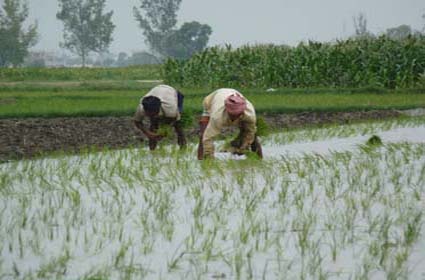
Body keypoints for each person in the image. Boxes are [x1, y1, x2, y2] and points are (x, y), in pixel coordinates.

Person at [197, 88, 262, 159]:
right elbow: (208, 138)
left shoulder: (250, 114)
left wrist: (242, 147)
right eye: (232, 115)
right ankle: (200, 159)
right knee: (203, 134)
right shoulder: (217, 116)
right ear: (227, 110)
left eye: (237, 115)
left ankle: (259, 159)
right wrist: (209, 157)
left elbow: (250, 133)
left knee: (253, 136)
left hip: (235, 95)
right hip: (211, 101)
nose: (234, 117)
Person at [134, 85, 186, 150]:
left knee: (178, 126)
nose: (152, 116)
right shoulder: (141, 108)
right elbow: (137, 122)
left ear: (158, 109)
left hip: (173, 93)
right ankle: (152, 150)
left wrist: (165, 130)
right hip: (157, 91)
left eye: (154, 114)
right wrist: (148, 133)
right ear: (145, 110)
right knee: (153, 125)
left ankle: (183, 146)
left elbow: (174, 120)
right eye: (149, 115)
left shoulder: (171, 109)